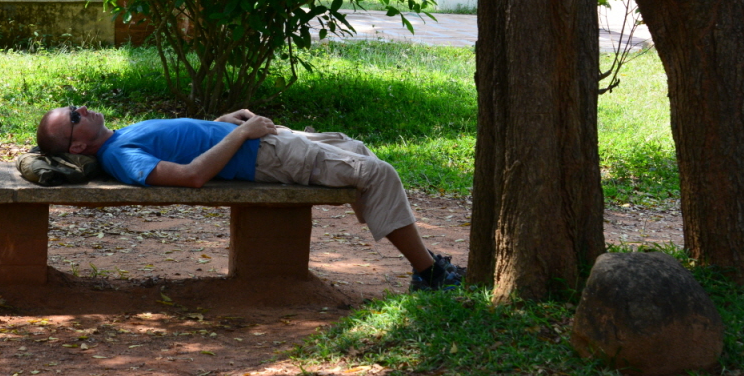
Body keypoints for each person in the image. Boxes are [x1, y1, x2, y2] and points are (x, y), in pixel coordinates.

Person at [35, 106, 467, 291]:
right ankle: (427, 273)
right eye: (74, 117)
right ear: (76, 147)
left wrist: (223, 122)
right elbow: (191, 176)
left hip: (265, 141)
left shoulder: (119, 135)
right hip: (268, 156)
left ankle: (421, 262)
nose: (82, 109)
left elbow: (187, 144)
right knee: (378, 174)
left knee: (354, 149)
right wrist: (241, 133)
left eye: (75, 107)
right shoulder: (120, 155)